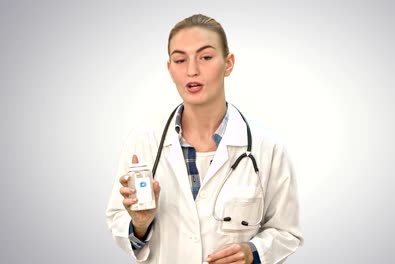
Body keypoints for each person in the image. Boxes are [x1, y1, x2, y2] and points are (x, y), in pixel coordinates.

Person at [106, 14, 303, 264]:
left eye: (206, 57)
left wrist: (253, 253)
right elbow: (116, 218)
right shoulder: (143, 141)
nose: (192, 70)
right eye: (180, 60)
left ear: (228, 63)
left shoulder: (268, 146)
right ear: (170, 69)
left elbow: (287, 232)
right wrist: (140, 225)